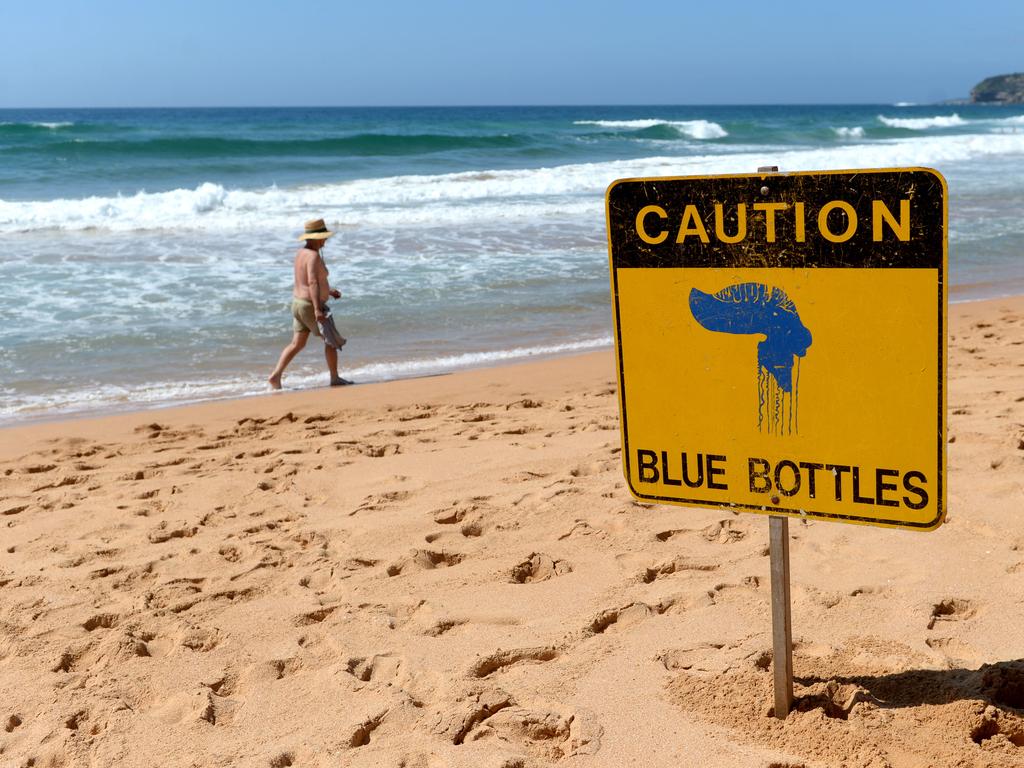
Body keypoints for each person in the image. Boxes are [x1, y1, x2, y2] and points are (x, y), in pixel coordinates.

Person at [269, 218, 350, 389]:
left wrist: (329, 291)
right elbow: (312, 282)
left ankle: (275, 377)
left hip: (298, 304)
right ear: (316, 238)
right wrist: (317, 309)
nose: (326, 240)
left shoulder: (301, 253)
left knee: (297, 343)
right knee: (330, 341)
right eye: (324, 237)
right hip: (309, 306)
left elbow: (306, 281)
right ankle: (335, 378)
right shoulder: (313, 256)